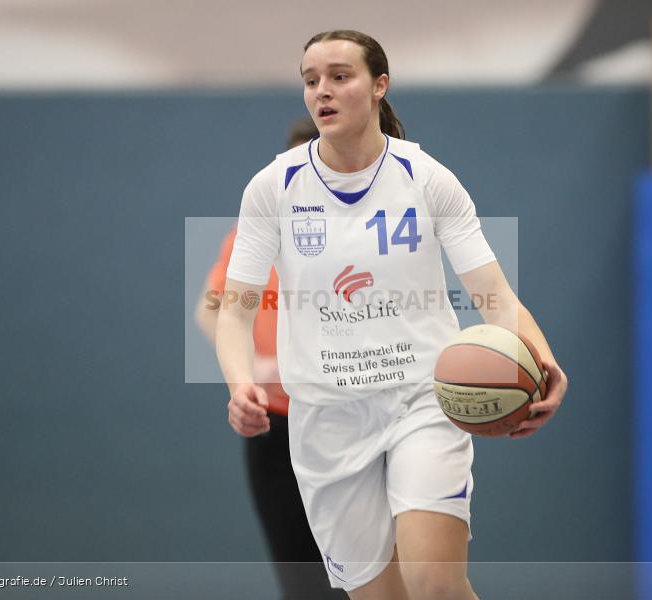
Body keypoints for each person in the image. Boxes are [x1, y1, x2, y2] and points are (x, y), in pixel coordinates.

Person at [216, 30, 568, 600]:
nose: (321, 91)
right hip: (326, 419)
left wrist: (543, 359)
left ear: (379, 86)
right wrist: (238, 384)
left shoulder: (427, 178)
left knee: (434, 583)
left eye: (339, 76)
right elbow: (233, 313)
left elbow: (495, 295)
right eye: (310, 80)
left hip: (422, 401)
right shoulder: (272, 188)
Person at [196, 117, 346, 599]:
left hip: (354, 420)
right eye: (298, 168)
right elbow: (211, 310)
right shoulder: (255, 232)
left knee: (367, 578)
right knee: (302, 581)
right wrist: (247, 375)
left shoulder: (368, 234)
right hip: (276, 425)